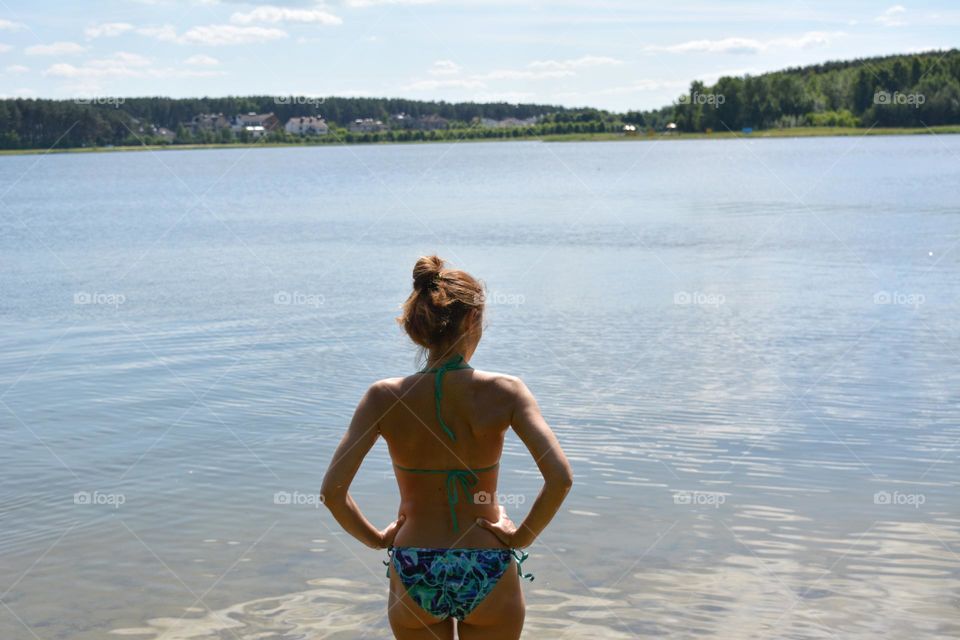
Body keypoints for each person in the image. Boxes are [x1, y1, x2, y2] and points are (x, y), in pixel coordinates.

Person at [321, 255, 573, 639]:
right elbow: (560, 479)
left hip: (414, 565)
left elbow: (333, 493)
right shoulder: (506, 391)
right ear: (473, 319)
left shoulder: (382, 397)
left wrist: (377, 539)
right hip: (486, 561)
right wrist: (522, 537)